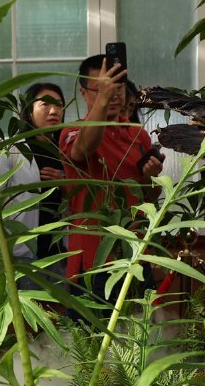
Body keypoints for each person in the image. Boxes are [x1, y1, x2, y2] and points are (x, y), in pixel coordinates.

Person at [61, 55, 162, 288]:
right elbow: (82, 151)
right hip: (93, 259)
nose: (113, 94)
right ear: (84, 93)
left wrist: (150, 177)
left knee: (142, 324)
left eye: (118, 87)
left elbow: (150, 198)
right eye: (102, 88)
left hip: (135, 255)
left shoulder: (138, 134)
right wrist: (102, 102)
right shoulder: (73, 130)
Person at [22, 82, 67, 261]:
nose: (54, 111)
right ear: (29, 112)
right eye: (45, 104)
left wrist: (64, 184)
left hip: (60, 250)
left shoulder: (68, 151)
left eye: (58, 104)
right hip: (23, 250)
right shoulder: (14, 150)